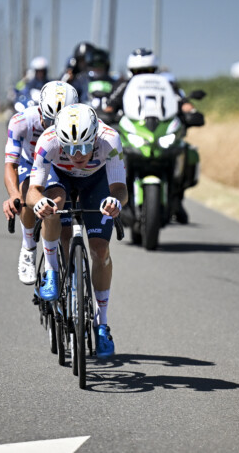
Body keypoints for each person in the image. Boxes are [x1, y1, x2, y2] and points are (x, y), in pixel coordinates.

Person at [26, 103, 127, 358]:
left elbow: (120, 189)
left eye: (83, 147)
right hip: (59, 179)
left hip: (96, 181)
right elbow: (33, 191)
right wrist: (39, 203)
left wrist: (115, 202)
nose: (77, 155)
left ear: (95, 138)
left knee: (100, 250)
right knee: (54, 207)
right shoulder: (48, 141)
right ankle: (52, 273)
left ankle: (102, 325)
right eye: (69, 148)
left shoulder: (110, 139)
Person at [104, 48, 204, 224]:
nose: (143, 75)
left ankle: (177, 197)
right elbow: (109, 106)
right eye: (138, 71)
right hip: (135, 133)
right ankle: (119, 197)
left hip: (161, 133)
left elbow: (183, 102)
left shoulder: (167, 86)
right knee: (111, 152)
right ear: (131, 71)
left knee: (187, 151)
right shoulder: (124, 86)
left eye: (148, 70)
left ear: (155, 70)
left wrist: (191, 112)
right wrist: (105, 114)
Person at [3, 81, 79, 285]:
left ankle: (66, 277)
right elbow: (11, 165)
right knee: (26, 194)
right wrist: (14, 195)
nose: (55, 128)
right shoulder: (21, 122)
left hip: (60, 165)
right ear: (40, 110)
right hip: (30, 163)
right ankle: (28, 247)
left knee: (62, 221)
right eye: (50, 120)